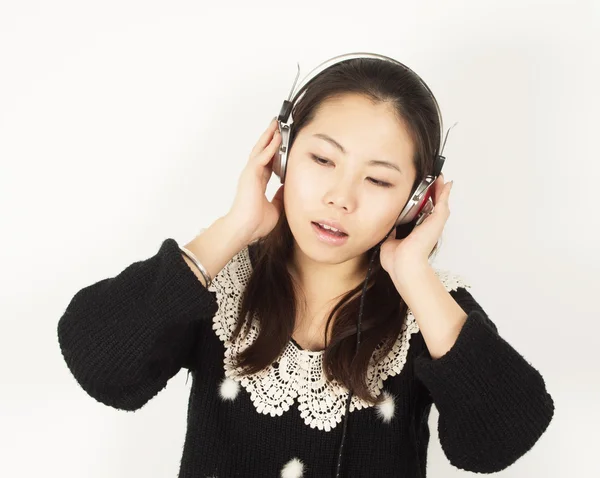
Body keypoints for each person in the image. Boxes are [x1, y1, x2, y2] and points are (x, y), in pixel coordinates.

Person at [57, 56, 555, 478]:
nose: (340, 197)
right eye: (322, 159)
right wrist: (234, 227)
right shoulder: (219, 284)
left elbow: (500, 440)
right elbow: (102, 365)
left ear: (415, 201)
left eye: (379, 181)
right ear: (283, 154)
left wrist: (414, 275)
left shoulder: (429, 310)